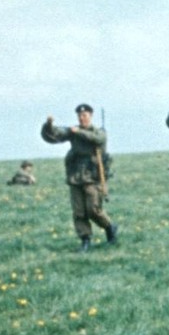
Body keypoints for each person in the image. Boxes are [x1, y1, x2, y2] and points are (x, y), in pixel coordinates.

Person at [41, 103, 116, 252]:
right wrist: (48, 125)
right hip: (76, 177)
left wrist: (78, 132)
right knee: (79, 212)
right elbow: (53, 136)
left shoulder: (99, 132)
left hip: (93, 177)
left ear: (90, 116)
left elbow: (96, 139)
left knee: (94, 210)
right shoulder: (73, 132)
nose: (82, 118)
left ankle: (109, 227)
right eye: (79, 116)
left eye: (85, 115)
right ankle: (85, 240)